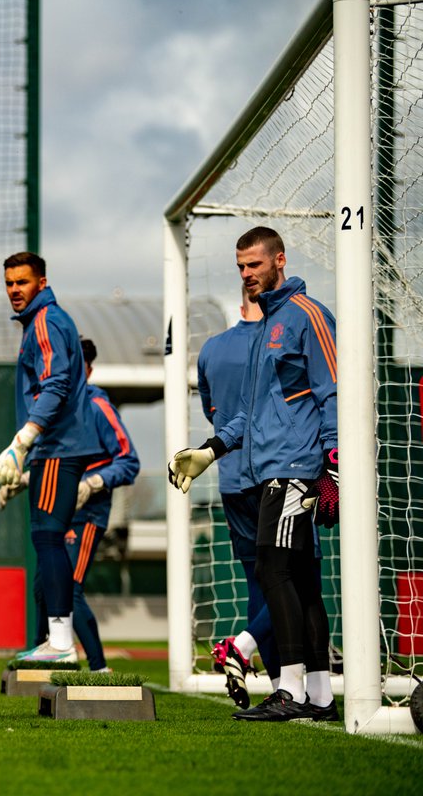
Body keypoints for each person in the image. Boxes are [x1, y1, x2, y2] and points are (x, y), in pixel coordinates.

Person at [169, 226, 340, 722]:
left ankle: (290, 691)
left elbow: (332, 393)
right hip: (268, 469)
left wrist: (334, 467)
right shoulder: (266, 327)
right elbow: (246, 412)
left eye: (255, 265)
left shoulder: (309, 316)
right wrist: (209, 450)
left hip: (297, 468)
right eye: (241, 267)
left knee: (274, 569)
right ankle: (322, 698)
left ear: (279, 260)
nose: (247, 275)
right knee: (302, 579)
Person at [0, 252, 106, 664]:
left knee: (48, 539)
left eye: (22, 282)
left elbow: (56, 385)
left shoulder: (47, 321)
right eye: (9, 283)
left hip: (59, 446)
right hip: (52, 448)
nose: (14, 291)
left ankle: (61, 643)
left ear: (41, 282)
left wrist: (23, 441)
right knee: (47, 539)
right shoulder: (40, 323)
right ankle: (57, 640)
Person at [8, 337, 140, 672]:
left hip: (86, 516)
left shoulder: (97, 407)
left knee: (70, 590)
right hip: (59, 513)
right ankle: (44, 660)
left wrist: (93, 483)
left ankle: (99, 668)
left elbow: (128, 461)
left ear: (88, 370)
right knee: (43, 589)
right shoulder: (55, 414)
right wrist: (22, 482)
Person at [197, 289, 282, 710]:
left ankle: (280, 683)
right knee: (294, 579)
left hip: (229, 479)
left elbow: (211, 410)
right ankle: (248, 651)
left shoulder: (211, 349)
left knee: (257, 582)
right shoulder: (275, 340)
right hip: (270, 473)